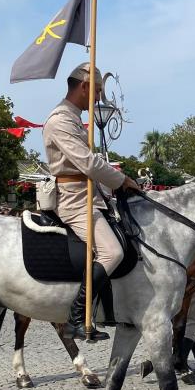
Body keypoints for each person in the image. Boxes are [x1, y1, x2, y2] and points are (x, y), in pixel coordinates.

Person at [43, 63, 142, 341]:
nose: (98, 98)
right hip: (74, 200)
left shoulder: (73, 118)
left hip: (90, 197)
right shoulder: (60, 120)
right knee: (112, 253)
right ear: (84, 87)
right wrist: (122, 180)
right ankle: (76, 317)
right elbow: (87, 164)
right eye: (97, 91)